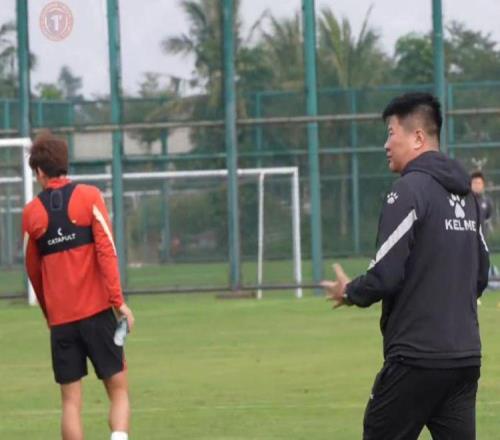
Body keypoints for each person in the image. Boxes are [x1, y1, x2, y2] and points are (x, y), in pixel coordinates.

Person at [322, 93, 489, 440]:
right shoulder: (468, 198)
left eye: (391, 133)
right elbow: (480, 274)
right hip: (464, 358)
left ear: (417, 138)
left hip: (415, 359)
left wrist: (350, 291)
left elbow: (385, 275)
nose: (386, 145)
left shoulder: (408, 191)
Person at [22, 132, 134, 440]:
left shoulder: (31, 214)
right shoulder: (90, 197)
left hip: (62, 322)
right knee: (119, 391)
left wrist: (50, 314)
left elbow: (33, 271)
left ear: (39, 172)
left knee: (70, 402)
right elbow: (107, 252)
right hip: (98, 314)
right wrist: (118, 302)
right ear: (65, 164)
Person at [470, 170, 493, 237]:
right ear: (470, 184)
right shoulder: (465, 201)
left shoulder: (487, 202)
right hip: (468, 239)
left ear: (483, 185)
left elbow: (487, 220)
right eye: (475, 183)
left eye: (479, 183)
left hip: (482, 238)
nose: (477, 185)